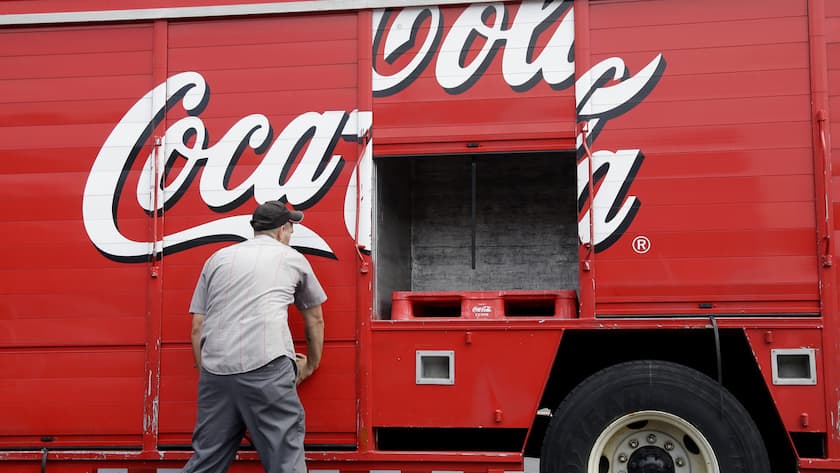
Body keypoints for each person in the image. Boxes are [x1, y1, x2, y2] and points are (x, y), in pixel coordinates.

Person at [183, 200, 326, 473]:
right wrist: (311, 363)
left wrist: (209, 372)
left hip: (216, 370)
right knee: (285, 460)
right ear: (283, 229)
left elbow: (197, 326)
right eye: (291, 229)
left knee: (207, 462)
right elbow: (314, 319)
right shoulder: (292, 258)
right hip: (267, 365)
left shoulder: (218, 259)